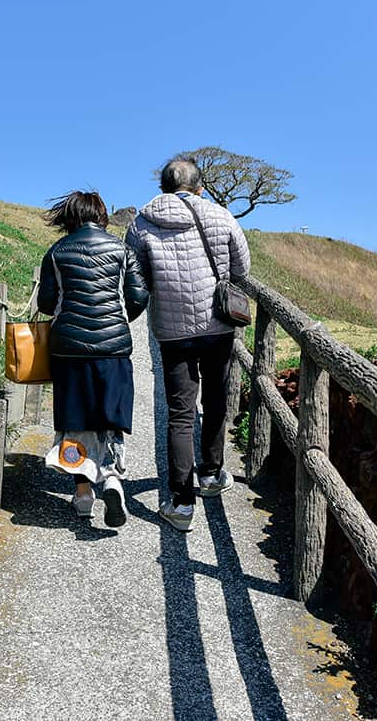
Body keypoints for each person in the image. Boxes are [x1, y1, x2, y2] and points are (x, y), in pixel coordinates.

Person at [124, 157, 250, 531]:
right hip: (217, 326)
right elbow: (241, 269)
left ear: (163, 187)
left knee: (180, 412)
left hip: (171, 329)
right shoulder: (222, 216)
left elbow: (136, 277)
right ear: (200, 187)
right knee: (216, 399)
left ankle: (181, 505)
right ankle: (210, 475)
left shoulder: (141, 224)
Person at [37, 191, 148, 527]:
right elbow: (138, 296)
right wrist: (118, 319)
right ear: (101, 216)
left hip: (68, 349)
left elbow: (46, 302)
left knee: (75, 421)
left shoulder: (57, 251)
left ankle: (84, 494)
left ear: (69, 216)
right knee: (109, 418)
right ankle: (112, 478)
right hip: (113, 350)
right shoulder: (122, 250)